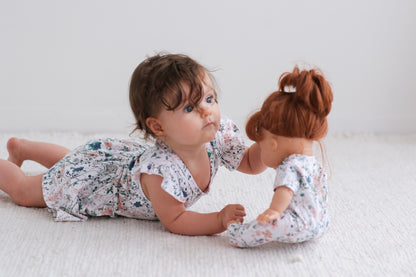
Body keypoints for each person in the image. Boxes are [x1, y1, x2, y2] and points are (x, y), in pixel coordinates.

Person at [0, 53, 266, 236]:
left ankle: (23, 148)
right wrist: (217, 219)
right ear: (158, 127)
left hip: (110, 165)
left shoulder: (217, 136)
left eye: (209, 99)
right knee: (29, 190)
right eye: (189, 107)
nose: (207, 112)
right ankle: (17, 157)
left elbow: (251, 163)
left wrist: (272, 141)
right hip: (103, 185)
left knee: (74, 162)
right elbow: (175, 220)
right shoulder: (160, 174)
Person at [227, 65, 333, 247]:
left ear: (272, 144)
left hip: (298, 223)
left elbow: (286, 189)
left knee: (266, 227)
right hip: (321, 222)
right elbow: (321, 193)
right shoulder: (313, 163)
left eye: (261, 144)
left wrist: (274, 211)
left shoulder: (290, 165)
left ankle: (238, 235)